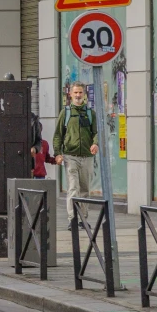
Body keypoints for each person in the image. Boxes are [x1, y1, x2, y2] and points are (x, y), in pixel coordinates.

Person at [52, 82, 100, 224]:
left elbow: (96, 132)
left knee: (85, 189)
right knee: (73, 188)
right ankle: (72, 219)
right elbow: (58, 135)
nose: (78, 95)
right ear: (70, 94)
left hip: (87, 157)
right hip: (70, 156)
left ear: (84, 94)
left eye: (80, 92)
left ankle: (83, 219)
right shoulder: (65, 113)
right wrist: (57, 153)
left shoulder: (91, 114)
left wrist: (95, 143)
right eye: (75, 93)